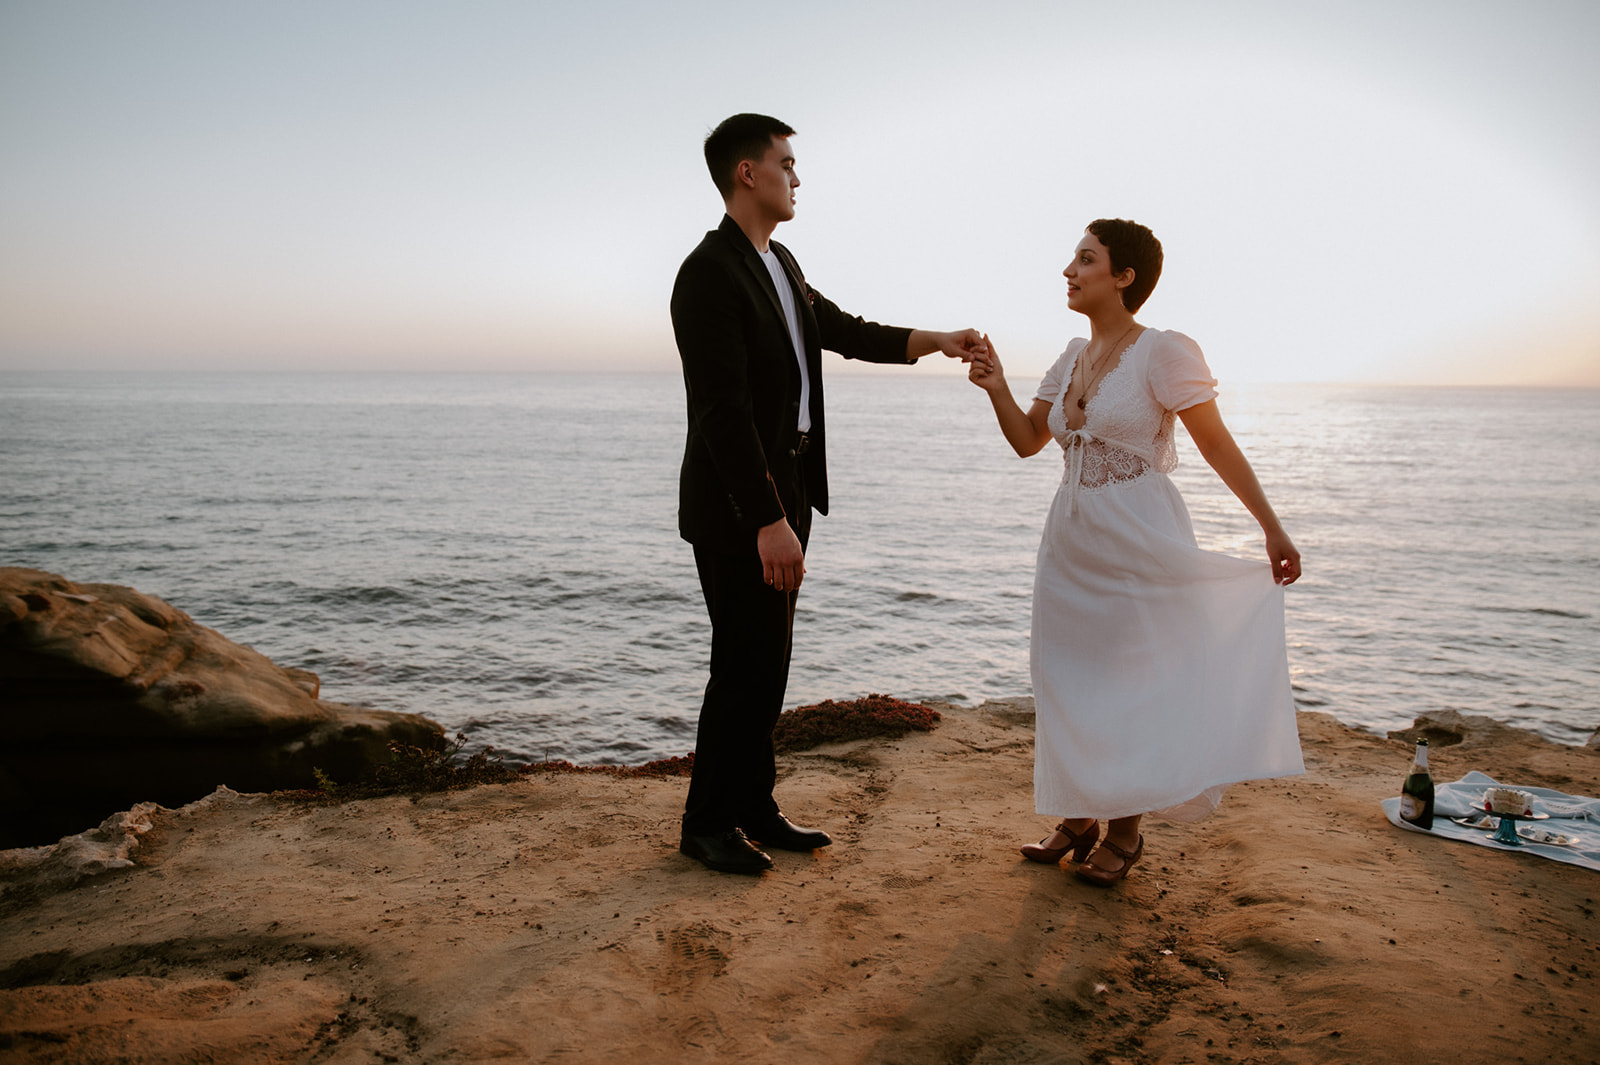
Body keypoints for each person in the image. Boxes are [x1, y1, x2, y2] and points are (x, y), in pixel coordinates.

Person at [671, 113, 987, 875]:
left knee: (768, 662)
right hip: (744, 510)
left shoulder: (779, 261)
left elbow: (843, 329)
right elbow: (723, 413)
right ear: (748, 173)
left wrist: (933, 339)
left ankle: (753, 805)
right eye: (786, 163)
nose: (797, 177)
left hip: (790, 496)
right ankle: (705, 825)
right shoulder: (707, 272)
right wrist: (768, 519)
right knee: (742, 662)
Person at [967, 218, 1304, 887]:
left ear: (1124, 277)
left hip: (1139, 538)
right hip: (1070, 541)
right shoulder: (1069, 354)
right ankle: (1076, 815)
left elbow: (1213, 442)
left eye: (1086, 258)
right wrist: (997, 385)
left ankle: (1125, 830)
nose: (1069, 269)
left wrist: (1271, 524)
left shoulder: (1164, 351)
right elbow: (1029, 440)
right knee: (1066, 681)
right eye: (1072, 257)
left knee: (1130, 683)